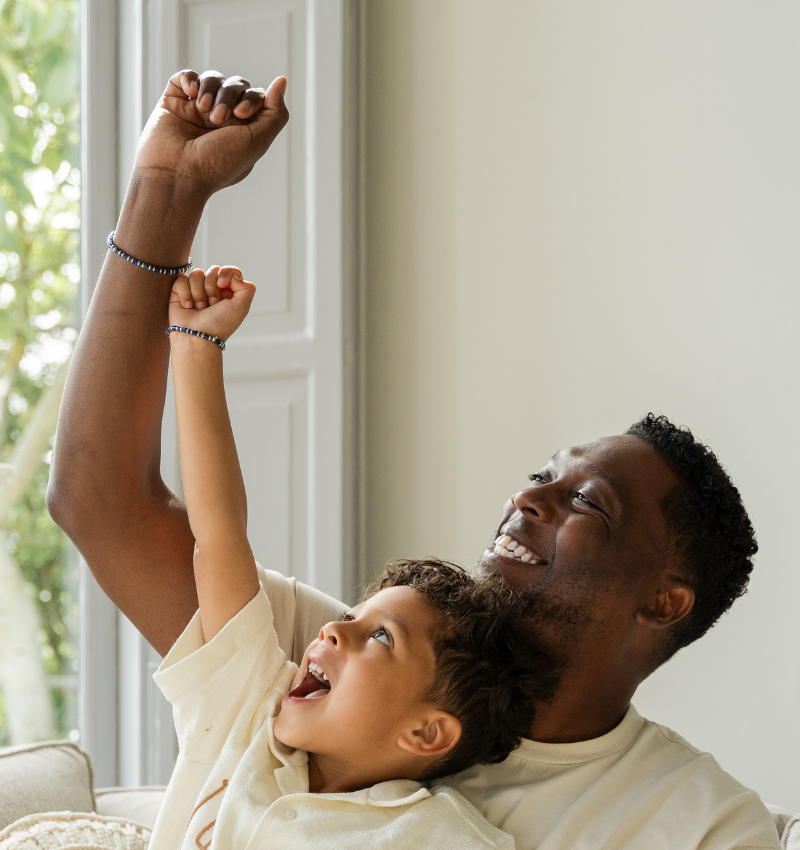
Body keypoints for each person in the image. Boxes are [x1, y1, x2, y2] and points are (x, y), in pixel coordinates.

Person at [47, 68, 781, 850]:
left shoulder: (704, 824)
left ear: (665, 601)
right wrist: (166, 190)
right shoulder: (326, 669)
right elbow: (99, 500)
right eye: (542, 477)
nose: (528, 501)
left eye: (587, 503)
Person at [149, 265, 559, 850]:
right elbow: (218, 538)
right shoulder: (249, 719)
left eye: (382, 637)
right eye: (355, 617)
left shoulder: (432, 836)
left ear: (425, 731)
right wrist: (196, 344)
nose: (334, 628)